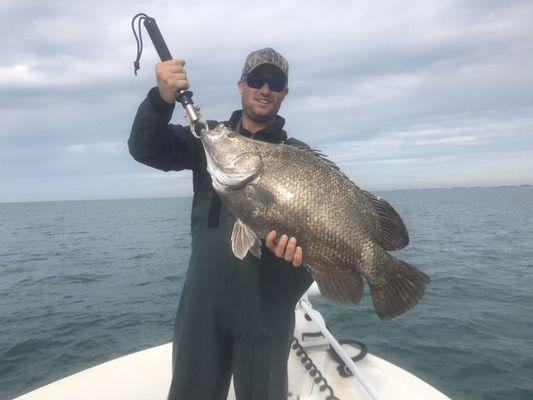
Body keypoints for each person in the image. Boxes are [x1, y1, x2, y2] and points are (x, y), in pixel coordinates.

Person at [128, 47, 314, 400]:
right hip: (203, 306)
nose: (265, 89)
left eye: (275, 83)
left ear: (284, 93)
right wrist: (159, 99)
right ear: (241, 85)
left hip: (267, 311)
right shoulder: (210, 139)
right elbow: (144, 147)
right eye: (257, 80)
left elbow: (313, 240)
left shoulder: (299, 158)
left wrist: (298, 260)